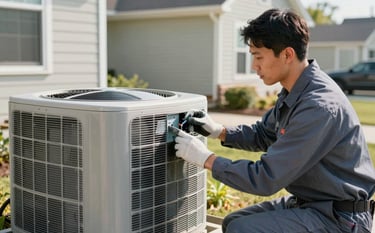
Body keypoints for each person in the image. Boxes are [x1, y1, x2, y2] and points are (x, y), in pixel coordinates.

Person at [170, 8, 375, 233]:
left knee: (242, 229)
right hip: (315, 205)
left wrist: (205, 158)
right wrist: (220, 131)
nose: (253, 66)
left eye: (258, 56)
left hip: (341, 219)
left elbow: (266, 178)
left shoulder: (318, 106)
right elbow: (264, 134)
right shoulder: (296, 91)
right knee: (231, 223)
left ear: (287, 54)